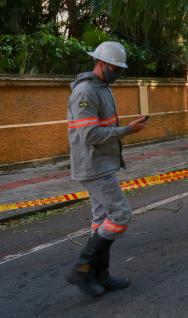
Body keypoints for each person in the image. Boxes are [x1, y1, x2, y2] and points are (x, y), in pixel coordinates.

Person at [65, 41, 149, 297]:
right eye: (115, 67)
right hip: (94, 165)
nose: (118, 72)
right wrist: (127, 131)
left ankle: (100, 275)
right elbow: (90, 134)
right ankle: (82, 267)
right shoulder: (86, 92)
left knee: (102, 219)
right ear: (101, 63)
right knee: (121, 215)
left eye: (120, 69)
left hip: (103, 162)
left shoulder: (103, 88)